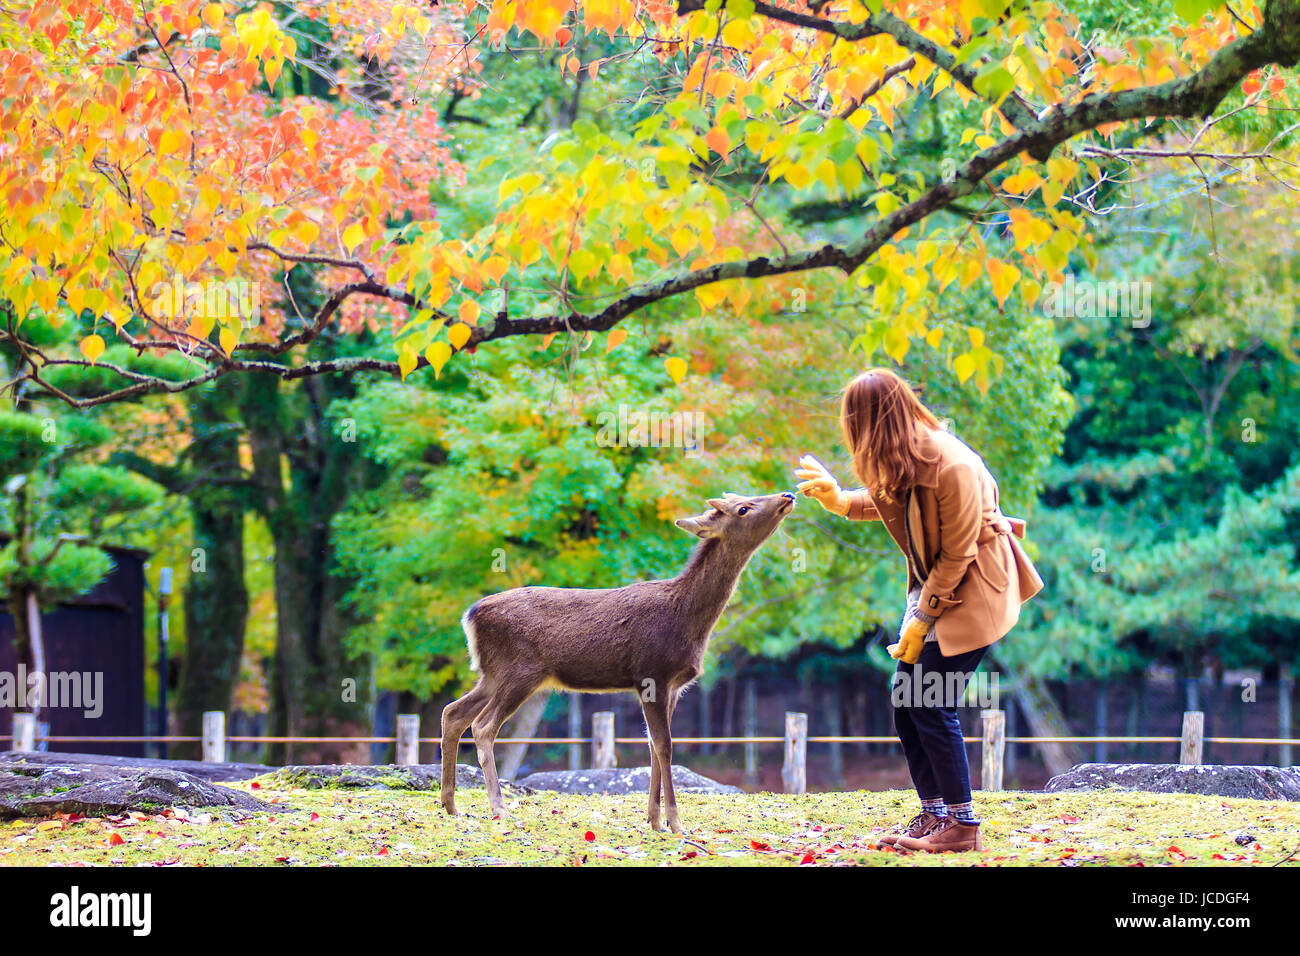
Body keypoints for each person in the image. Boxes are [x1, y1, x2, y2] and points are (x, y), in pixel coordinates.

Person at [795, 368, 1043, 853]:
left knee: (930, 698)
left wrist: (922, 621)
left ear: (872, 421)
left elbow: (958, 555)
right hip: (938, 589)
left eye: (855, 423)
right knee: (905, 702)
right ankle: (936, 813)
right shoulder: (908, 455)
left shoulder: (952, 465)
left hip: (975, 590)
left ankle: (963, 826)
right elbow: (893, 499)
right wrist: (840, 500)